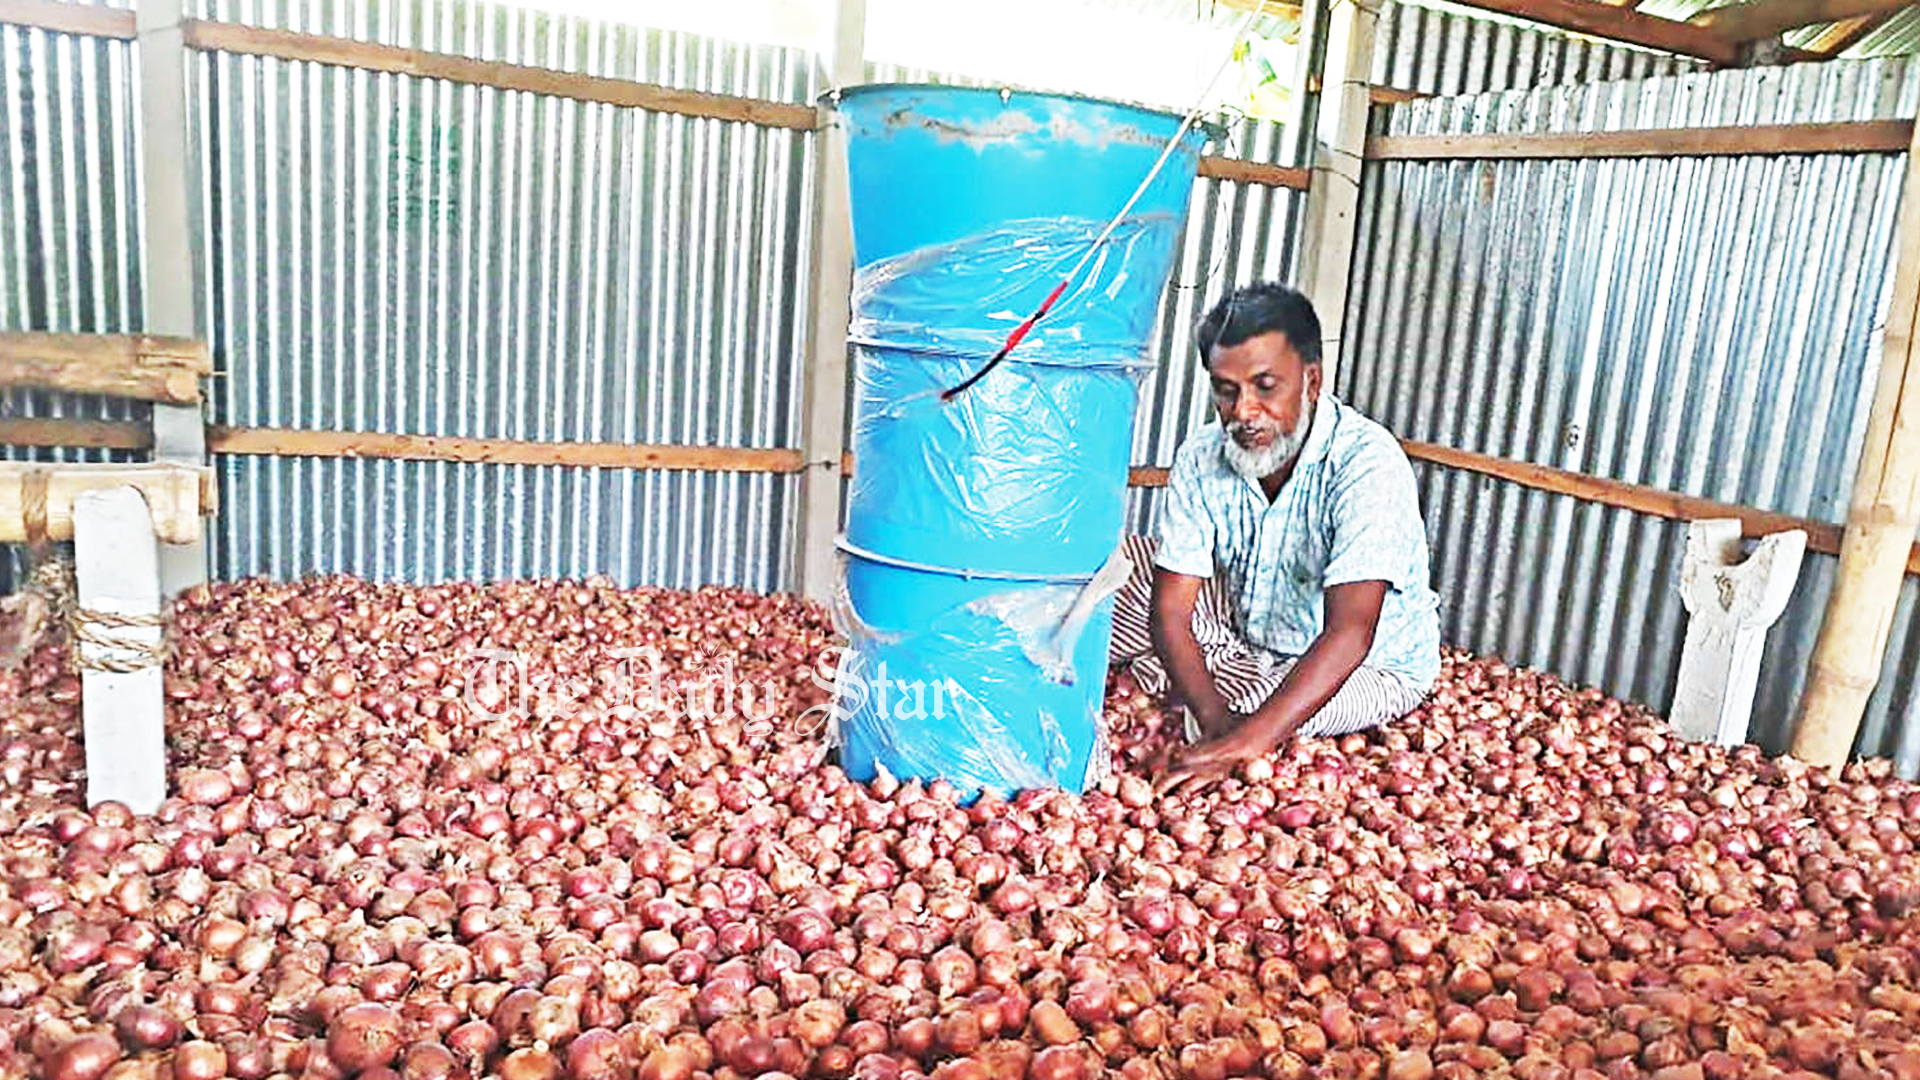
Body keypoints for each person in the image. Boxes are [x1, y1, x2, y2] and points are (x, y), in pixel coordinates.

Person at [1108, 282, 1441, 791]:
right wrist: (1215, 724)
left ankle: (1252, 712)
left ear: (1311, 382)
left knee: (1274, 708)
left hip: (1367, 662)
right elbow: (1172, 611)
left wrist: (1246, 742)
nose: (1243, 411)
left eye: (1266, 386)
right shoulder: (1202, 456)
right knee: (1115, 573)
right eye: (1226, 389)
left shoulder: (1366, 462)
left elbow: (1352, 629)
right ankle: (1233, 703)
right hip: (1247, 627)